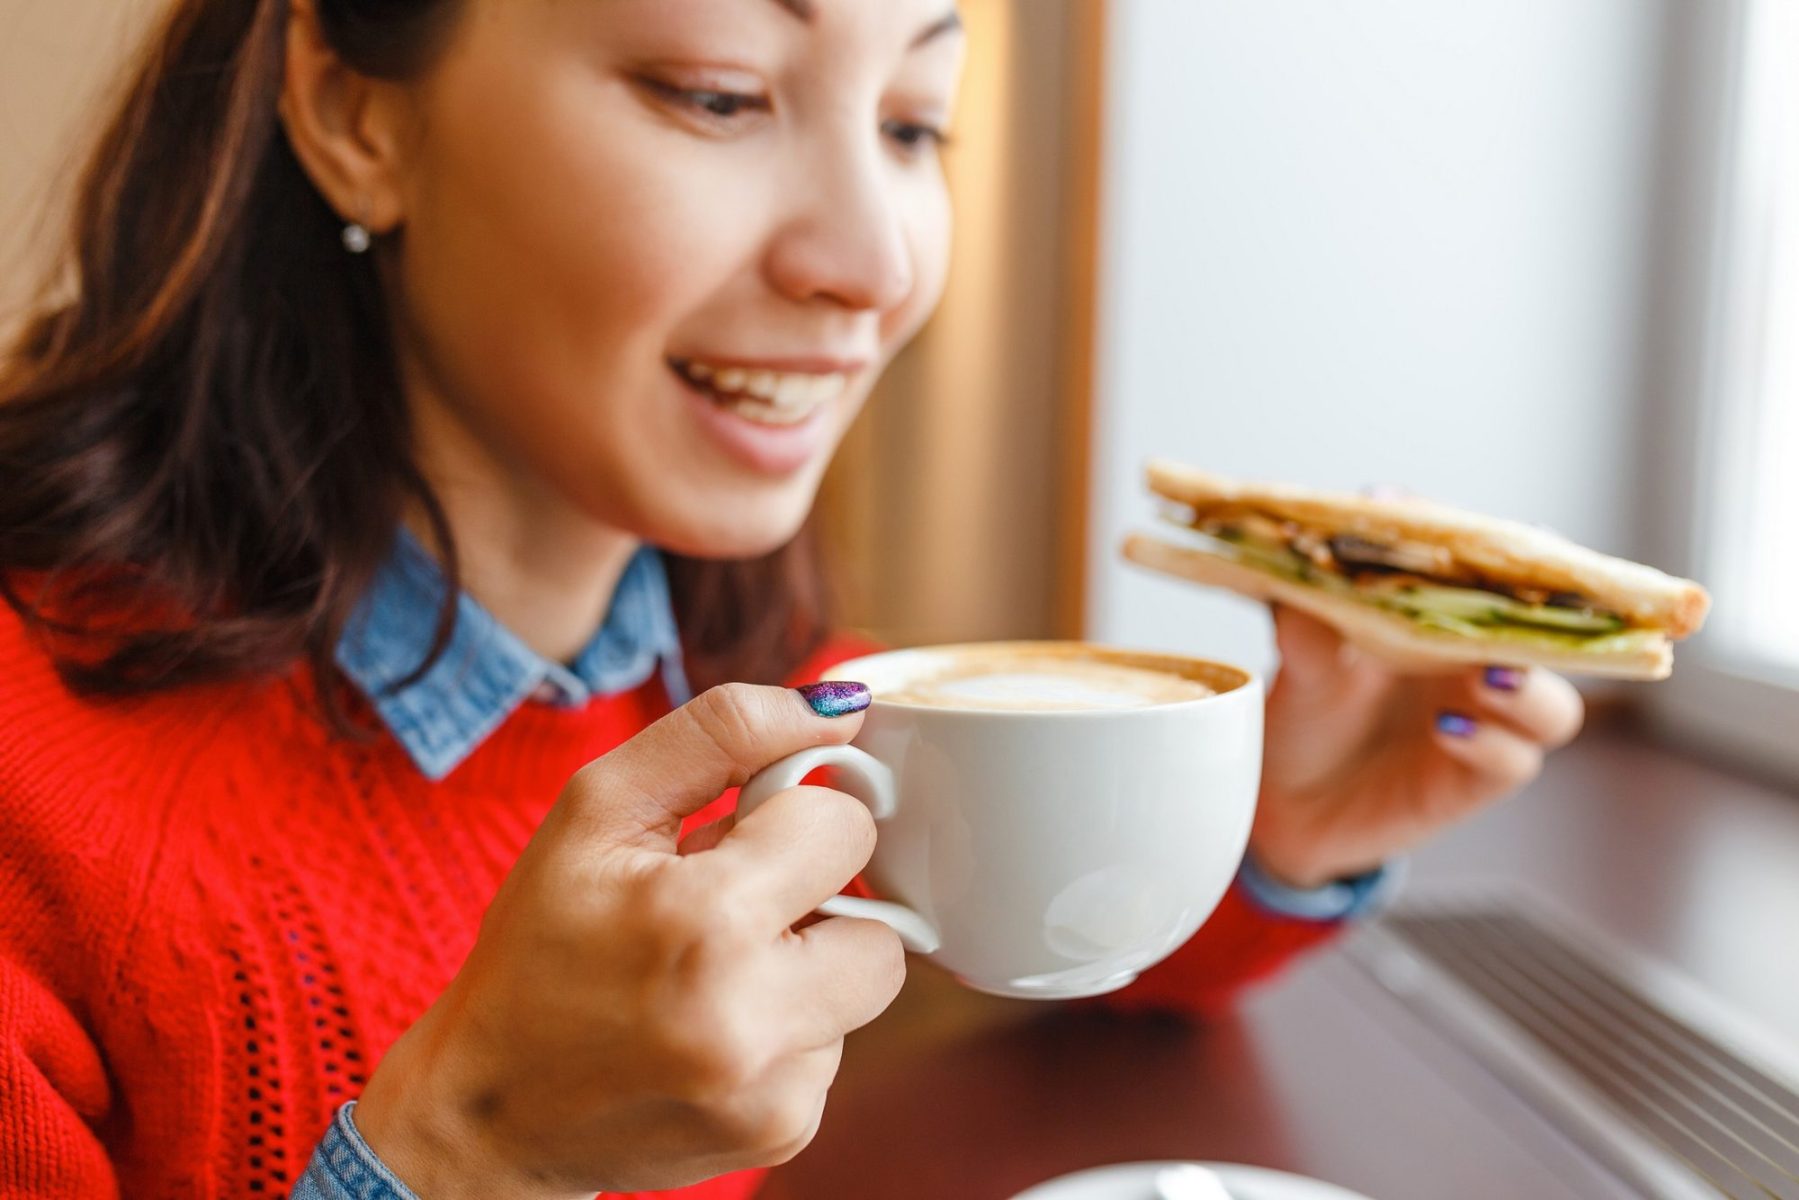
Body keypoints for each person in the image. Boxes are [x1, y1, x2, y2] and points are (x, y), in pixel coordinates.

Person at [0, 1, 1585, 1197]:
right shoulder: (37, 806)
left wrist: (1291, 830)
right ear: (357, 111)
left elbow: (1010, 905)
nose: (875, 262)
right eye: (720, 94)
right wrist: (463, 1150)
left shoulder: (719, 676)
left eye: (912, 122)